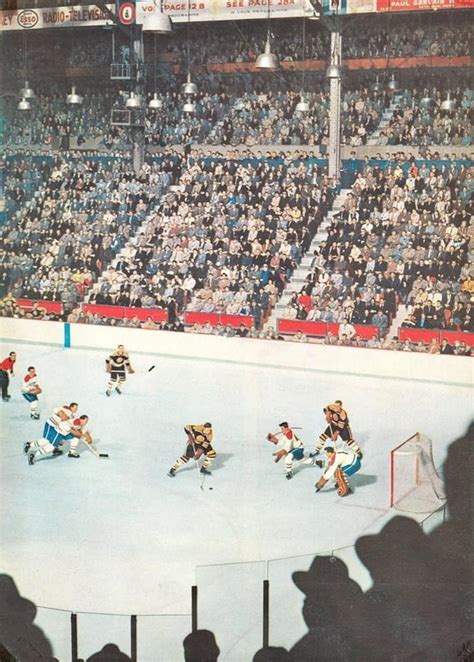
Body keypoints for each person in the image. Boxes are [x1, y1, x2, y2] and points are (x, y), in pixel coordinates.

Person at [23, 403, 87, 465]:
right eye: (75, 408)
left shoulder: (71, 416)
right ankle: (31, 449)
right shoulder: (66, 411)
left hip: (59, 428)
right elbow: (60, 414)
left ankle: (63, 450)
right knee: (47, 441)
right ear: (71, 407)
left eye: (77, 408)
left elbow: (71, 424)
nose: (76, 410)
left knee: (66, 440)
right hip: (51, 425)